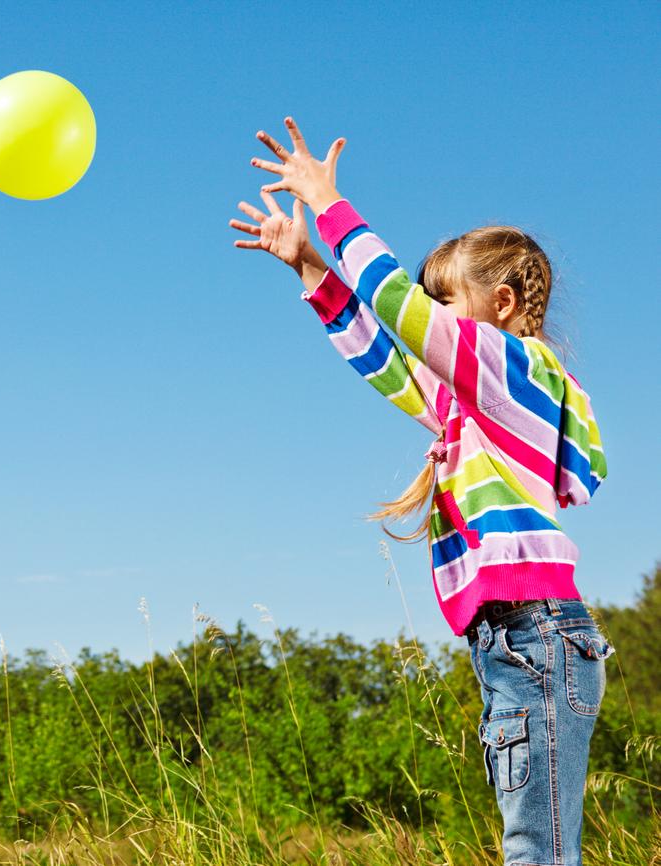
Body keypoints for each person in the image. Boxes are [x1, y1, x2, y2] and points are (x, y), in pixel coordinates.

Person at [231, 117, 610, 865]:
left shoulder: (514, 368)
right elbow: (384, 358)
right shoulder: (474, 403)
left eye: (448, 303)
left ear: (500, 303)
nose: (433, 322)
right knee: (534, 849)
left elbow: (394, 302)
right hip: (514, 640)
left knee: (539, 854)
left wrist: (329, 204)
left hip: (536, 634)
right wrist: (309, 265)